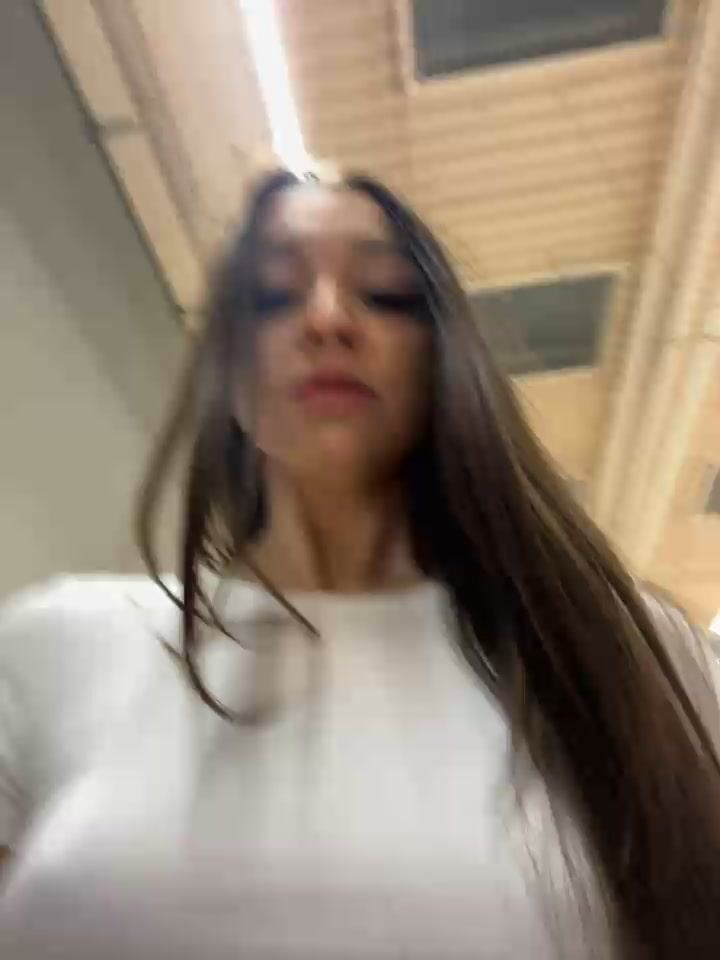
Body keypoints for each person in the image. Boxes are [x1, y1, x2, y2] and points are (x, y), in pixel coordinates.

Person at [1, 167, 719, 960]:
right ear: (226, 370)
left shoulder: (626, 657)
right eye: (272, 296)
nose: (327, 318)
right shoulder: (54, 643)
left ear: (442, 356)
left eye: (385, 294)